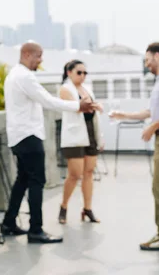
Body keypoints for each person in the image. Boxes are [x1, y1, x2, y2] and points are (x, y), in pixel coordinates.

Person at [0, 42, 95, 244]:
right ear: (26, 54)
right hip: (29, 136)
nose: (41, 60)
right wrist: (78, 105)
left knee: (22, 180)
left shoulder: (13, 75)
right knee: (36, 182)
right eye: (38, 55)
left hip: (18, 135)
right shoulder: (25, 76)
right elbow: (48, 101)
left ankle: (8, 223)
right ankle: (36, 230)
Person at [109, 42, 159, 251]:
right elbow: (153, 111)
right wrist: (123, 115)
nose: (146, 64)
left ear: (158, 56)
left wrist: (153, 127)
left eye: (147, 60)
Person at [58, 60, 104, 224]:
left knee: (89, 173)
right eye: (79, 72)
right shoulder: (65, 89)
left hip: (91, 134)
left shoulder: (87, 89)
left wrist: (100, 138)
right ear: (69, 72)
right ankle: (63, 206)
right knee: (75, 174)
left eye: (85, 73)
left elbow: (94, 113)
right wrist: (95, 105)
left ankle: (88, 209)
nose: (83, 76)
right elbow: (78, 106)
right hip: (75, 137)